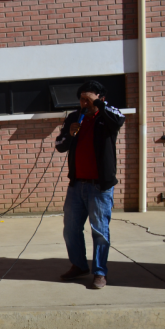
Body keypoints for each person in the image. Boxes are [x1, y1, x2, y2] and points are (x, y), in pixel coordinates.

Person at [55, 80, 125, 289]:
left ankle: (100, 272)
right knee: (71, 229)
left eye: (88, 99)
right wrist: (70, 135)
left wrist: (99, 105)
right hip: (77, 185)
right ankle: (79, 265)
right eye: (81, 99)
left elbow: (119, 119)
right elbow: (60, 145)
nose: (84, 103)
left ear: (100, 98)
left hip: (99, 187)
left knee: (99, 231)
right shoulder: (74, 117)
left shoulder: (107, 115)